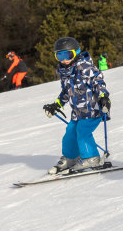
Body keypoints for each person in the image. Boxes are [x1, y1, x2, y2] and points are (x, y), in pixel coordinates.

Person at [42, 37, 111, 174]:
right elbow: (66, 92)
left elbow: (98, 82)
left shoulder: (85, 67)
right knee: (70, 133)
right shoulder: (64, 72)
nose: (64, 59)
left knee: (83, 132)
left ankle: (91, 158)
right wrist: (56, 104)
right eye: (59, 55)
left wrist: (104, 97)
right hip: (78, 113)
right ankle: (71, 158)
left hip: (94, 110)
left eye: (67, 55)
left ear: (76, 53)